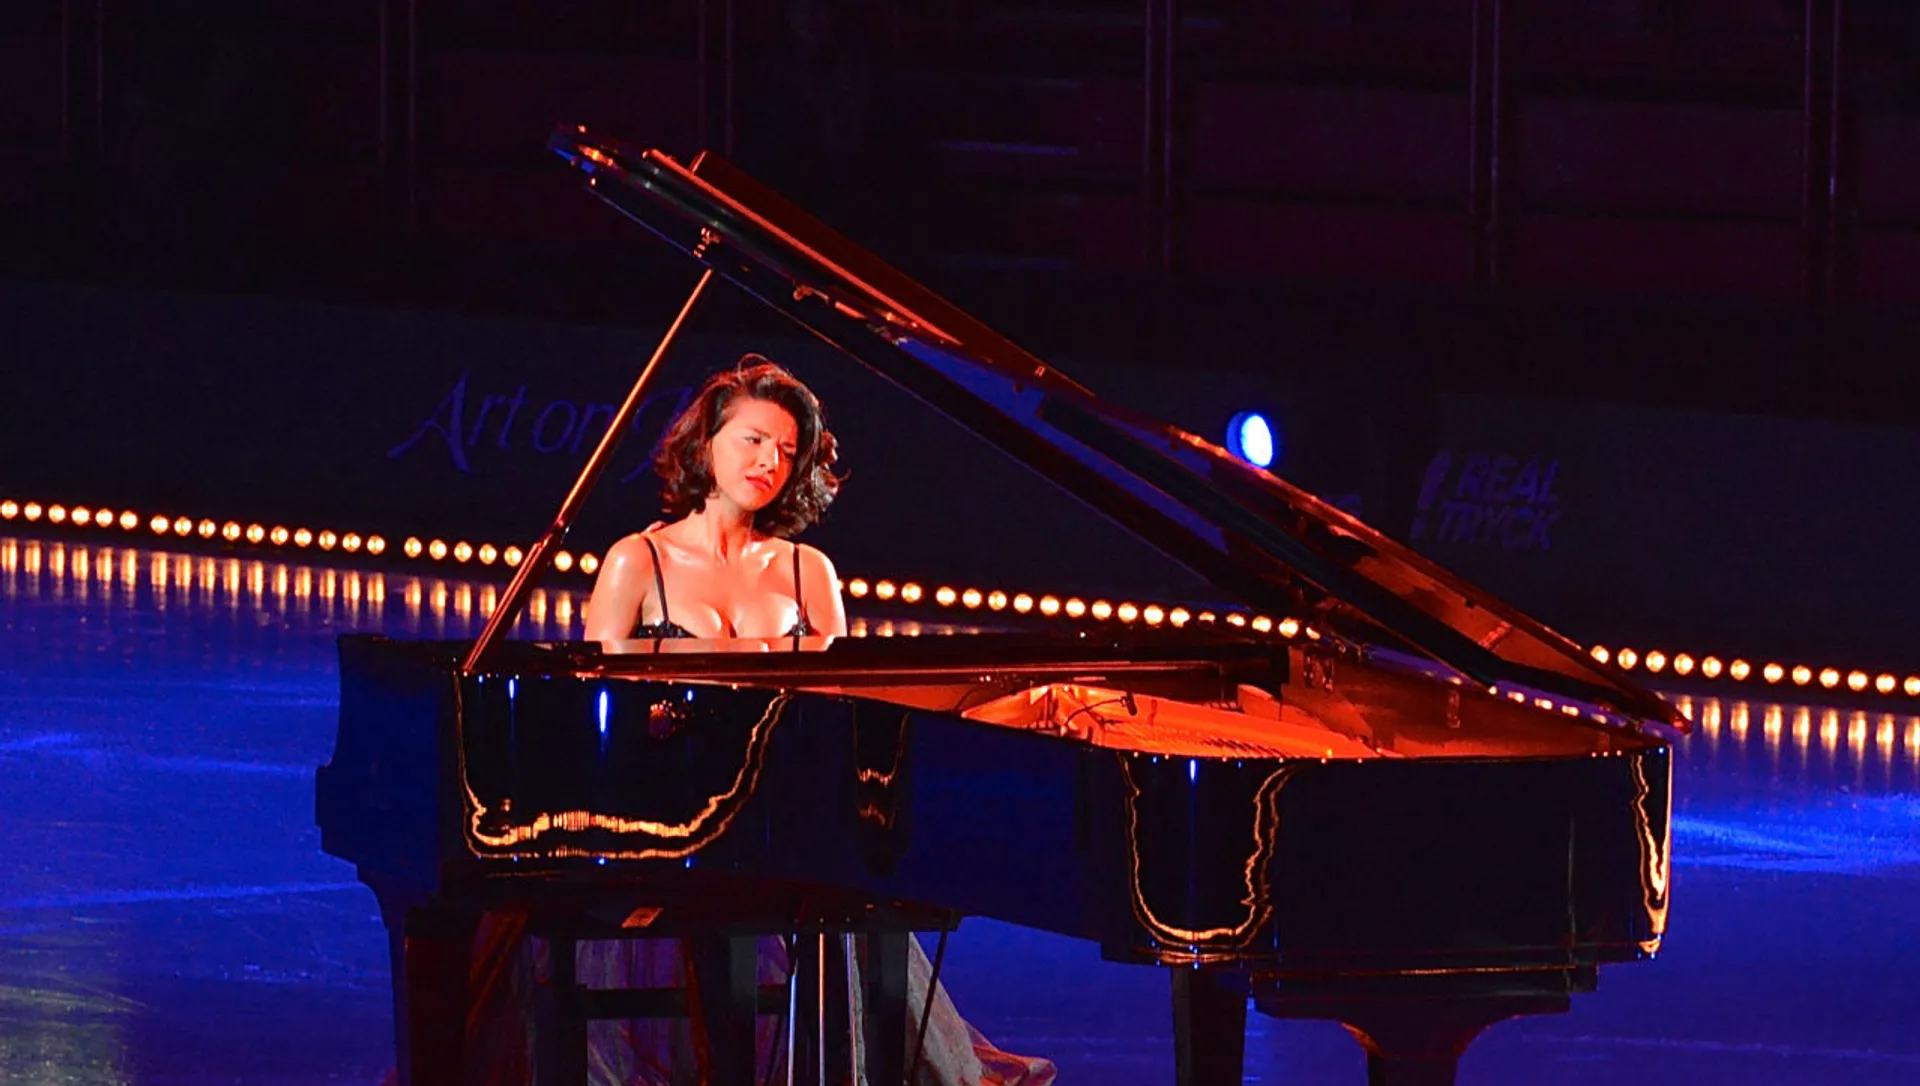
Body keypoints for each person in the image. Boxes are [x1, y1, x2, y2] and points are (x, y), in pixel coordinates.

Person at [535, 356, 1054, 1086]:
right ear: (706, 442)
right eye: (752, 440)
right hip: (671, 810)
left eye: (785, 450)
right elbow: (600, 711)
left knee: (856, 867)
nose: (768, 463)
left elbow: (842, 706)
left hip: (784, 803)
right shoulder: (636, 560)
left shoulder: (809, 570)